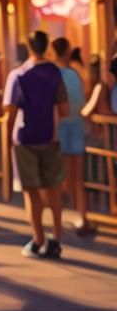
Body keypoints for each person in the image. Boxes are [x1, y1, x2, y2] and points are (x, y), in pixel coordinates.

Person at [4, 30, 68, 259]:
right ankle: (56, 238)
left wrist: (6, 144)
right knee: (54, 190)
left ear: (29, 47)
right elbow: (64, 109)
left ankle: (38, 238)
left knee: (31, 191)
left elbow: (9, 113)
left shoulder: (18, 74)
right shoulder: (54, 73)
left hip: (25, 138)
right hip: (50, 137)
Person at [51, 37, 94, 237]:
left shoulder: (53, 75)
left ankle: (58, 219)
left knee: (60, 176)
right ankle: (82, 216)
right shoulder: (74, 75)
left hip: (59, 127)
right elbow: (81, 101)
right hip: (75, 125)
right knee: (77, 177)